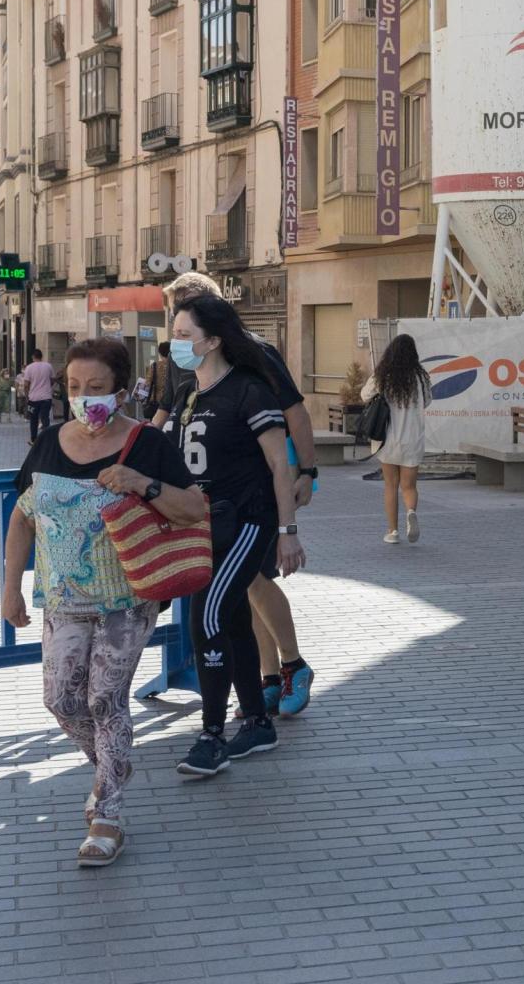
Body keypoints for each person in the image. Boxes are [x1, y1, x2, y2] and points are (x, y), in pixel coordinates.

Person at [2, 338, 205, 866]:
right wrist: (10, 587)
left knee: (104, 702)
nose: (83, 397)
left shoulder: (147, 443)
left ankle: (107, 816)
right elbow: (23, 516)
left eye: (95, 388)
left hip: (126, 600)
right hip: (62, 601)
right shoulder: (48, 441)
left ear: (120, 389)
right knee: (61, 700)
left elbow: (192, 509)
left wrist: (141, 482)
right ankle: (111, 767)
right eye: (73, 387)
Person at [156, 272, 321, 720]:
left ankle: (292, 664)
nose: (178, 326)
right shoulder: (185, 366)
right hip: (212, 505)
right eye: (175, 317)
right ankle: (268, 677)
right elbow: (168, 413)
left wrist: (307, 471)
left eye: (186, 313)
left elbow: (294, 412)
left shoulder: (256, 358)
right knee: (242, 592)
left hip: (259, 492)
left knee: (253, 580)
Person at [360, 333, 430, 545]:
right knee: (409, 486)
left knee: (390, 485)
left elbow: (364, 395)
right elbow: (427, 401)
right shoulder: (421, 377)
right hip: (412, 439)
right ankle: (411, 512)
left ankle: (392, 531)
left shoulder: (383, 375)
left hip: (388, 439)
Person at [19, 348, 56, 442]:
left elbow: (26, 384)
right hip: (46, 398)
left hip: (33, 398)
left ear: (33, 357)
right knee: (45, 419)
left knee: (33, 420)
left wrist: (27, 396)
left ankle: (33, 439)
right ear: (41, 356)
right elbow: (52, 380)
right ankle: (46, 439)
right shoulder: (48, 366)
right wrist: (47, 387)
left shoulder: (29, 368)